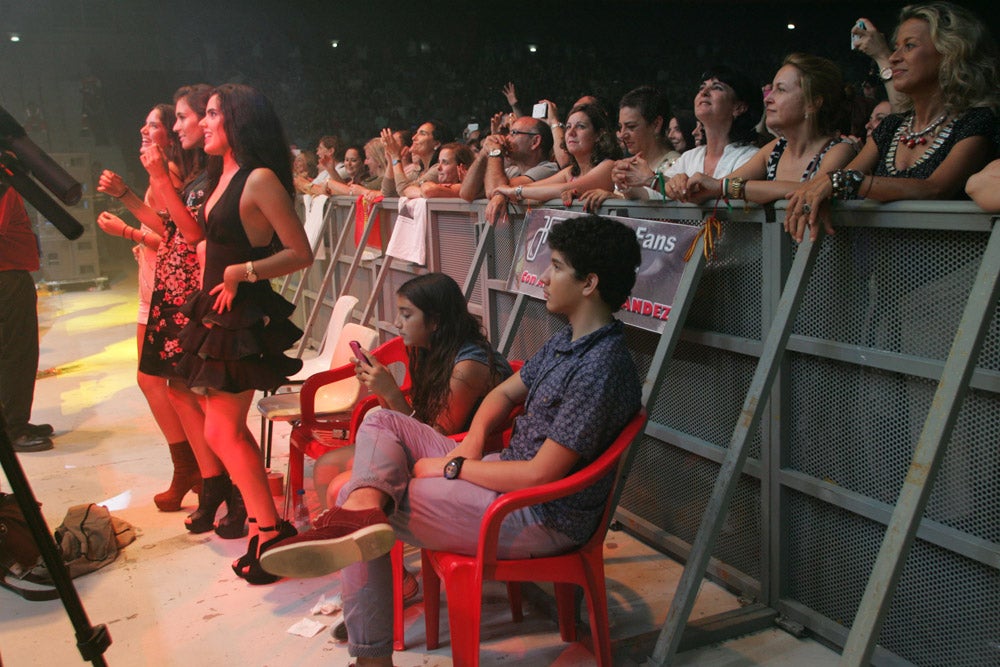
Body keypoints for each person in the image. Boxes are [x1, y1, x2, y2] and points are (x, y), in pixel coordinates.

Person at [260, 214, 643, 666]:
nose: (543, 276)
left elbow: (541, 474)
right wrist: (472, 443)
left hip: (535, 512)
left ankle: (371, 656)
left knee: (348, 492)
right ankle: (362, 512)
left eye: (556, 266)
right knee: (381, 426)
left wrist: (452, 467)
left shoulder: (601, 366)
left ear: (588, 283)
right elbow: (503, 393)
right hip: (497, 471)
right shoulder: (567, 342)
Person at [174, 83, 313, 584]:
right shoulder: (221, 173)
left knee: (221, 430)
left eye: (212, 114)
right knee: (223, 430)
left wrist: (241, 272)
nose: (203, 122)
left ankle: (270, 531)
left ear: (238, 120)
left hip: (241, 317)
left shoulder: (259, 179)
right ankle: (264, 526)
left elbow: (301, 253)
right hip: (218, 312)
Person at [786, 2, 1000, 242]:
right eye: (896, 47)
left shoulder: (977, 121)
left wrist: (840, 182)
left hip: (954, 270)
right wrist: (824, 193)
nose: (895, 57)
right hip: (887, 273)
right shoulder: (892, 126)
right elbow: (840, 180)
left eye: (909, 46)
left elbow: (935, 188)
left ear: (950, 53)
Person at [312, 272, 514, 511]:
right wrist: (380, 389)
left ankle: (353, 536)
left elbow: (432, 438)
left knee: (338, 483)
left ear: (435, 321)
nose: (398, 322)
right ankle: (340, 537)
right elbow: (405, 422)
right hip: (433, 442)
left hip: (456, 455)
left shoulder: (467, 367)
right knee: (325, 466)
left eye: (406, 315)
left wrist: (392, 392)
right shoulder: (432, 351)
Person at [673, 53, 857, 206]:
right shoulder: (776, 148)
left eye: (781, 90)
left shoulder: (839, 149)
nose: (768, 99)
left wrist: (722, 187)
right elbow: (725, 184)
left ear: (812, 103)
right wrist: (685, 186)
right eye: (772, 90)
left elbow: (812, 189)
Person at [612, 67, 761, 201]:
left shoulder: (751, 157)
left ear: (739, 107)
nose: (704, 92)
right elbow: (654, 196)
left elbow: (702, 197)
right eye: (702, 87)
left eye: (717, 88)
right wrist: (627, 180)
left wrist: (652, 180)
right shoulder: (690, 157)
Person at [0, 184, 53, 452]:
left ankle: (15, 421)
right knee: (17, 354)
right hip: (6, 276)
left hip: (10, 273)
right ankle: (13, 428)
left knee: (15, 353)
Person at [493, 103, 622, 207]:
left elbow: (563, 189)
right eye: (568, 127)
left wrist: (514, 192)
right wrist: (503, 194)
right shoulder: (570, 172)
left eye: (581, 126)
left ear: (598, 135)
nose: (571, 132)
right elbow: (530, 187)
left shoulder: (609, 166)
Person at [458, 115, 558, 223]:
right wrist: (484, 152)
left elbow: (494, 190)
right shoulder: (513, 170)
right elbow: (466, 193)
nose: (506, 139)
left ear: (535, 142)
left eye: (513, 133)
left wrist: (495, 152)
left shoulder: (548, 169)